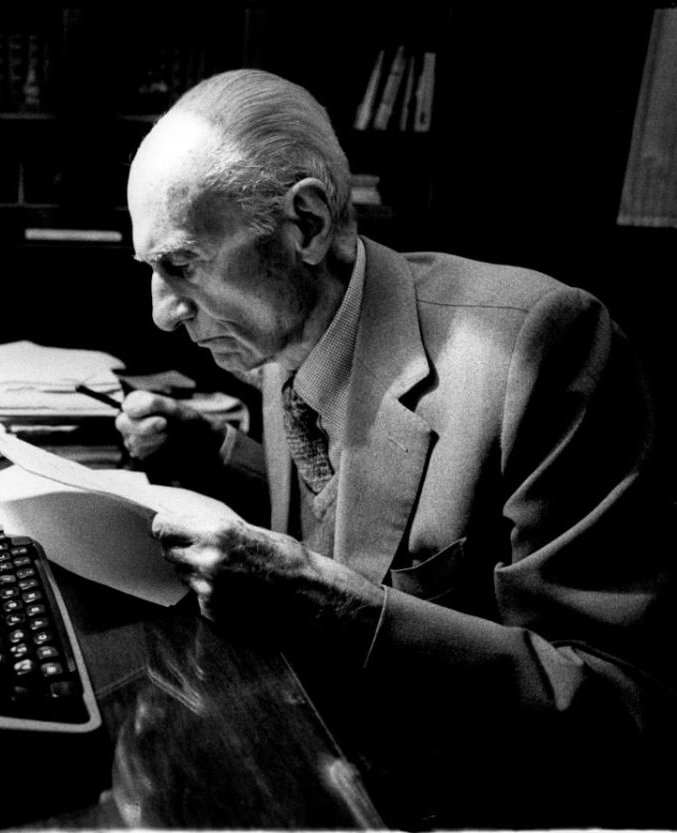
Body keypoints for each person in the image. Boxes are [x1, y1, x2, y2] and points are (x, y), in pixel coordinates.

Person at [117, 68, 675, 829]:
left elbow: (626, 710)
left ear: (306, 225)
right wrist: (217, 451)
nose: (161, 313)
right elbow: (344, 506)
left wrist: (329, 607)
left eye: (181, 264)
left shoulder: (545, 346)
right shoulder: (286, 325)